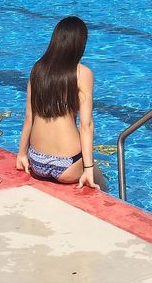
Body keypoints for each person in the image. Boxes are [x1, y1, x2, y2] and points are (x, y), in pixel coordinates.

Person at [15, 16, 104, 189]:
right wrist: (88, 168)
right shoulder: (82, 72)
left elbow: (28, 117)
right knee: (102, 180)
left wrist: (21, 154)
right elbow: (86, 125)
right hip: (67, 165)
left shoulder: (38, 68)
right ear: (80, 43)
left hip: (37, 161)